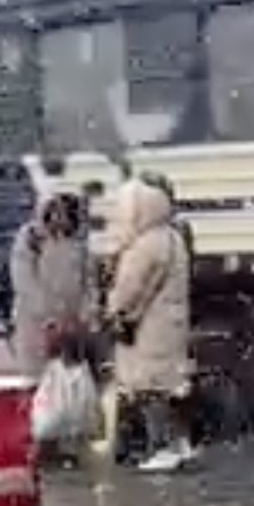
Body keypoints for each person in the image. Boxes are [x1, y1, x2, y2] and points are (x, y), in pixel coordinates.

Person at [104, 179, 195, 473]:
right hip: (169, 324)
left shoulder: (145, 245)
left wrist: (114, 309)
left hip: (148, 328)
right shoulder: (172, 238)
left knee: (149, 390)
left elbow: (130, 289)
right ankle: (179, 443)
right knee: (168, 389)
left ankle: (162, 447)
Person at [9, 190, 92, 376]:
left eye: (65, 211)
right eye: (55, 210)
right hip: (36, 328)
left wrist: (84, 315)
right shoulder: (30, 238)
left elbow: (88, 281)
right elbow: (24, 282)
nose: (60, 217)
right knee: (39, 384)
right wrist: (48, 317)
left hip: (71, 330)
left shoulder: (78, 242)